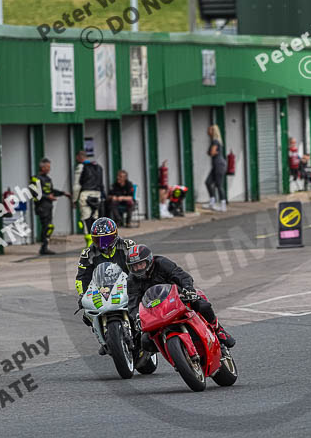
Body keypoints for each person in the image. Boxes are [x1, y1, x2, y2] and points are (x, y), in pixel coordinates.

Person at [126, 244, 235, 352]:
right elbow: (132, 302)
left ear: (149, 261)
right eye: (134, 266)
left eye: (140, 264)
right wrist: (136, 317)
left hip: (177, 298)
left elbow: (181, 275)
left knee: (202, 305)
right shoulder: (132, 280)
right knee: (145, 341)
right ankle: (172, 352)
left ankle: (218, 329)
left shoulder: (161, 263)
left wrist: (188, 289)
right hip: (155, 309)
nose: (137, 268)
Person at [75, 217, 136, 355]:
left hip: (128, 283)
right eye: (98, 239)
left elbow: (137, 266)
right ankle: (105, 339)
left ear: (115, 235)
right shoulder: (88, 253)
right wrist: (82, 294)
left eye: (106, 239)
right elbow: (82, 277)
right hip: (102, 287)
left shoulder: (127, 245)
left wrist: (138, 282)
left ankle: (145, 329)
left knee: (141, 303)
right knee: (87, 314)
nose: (103, 243)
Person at [30, 158, 70, 255]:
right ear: (42, 167)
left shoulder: (48, 179)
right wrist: (47, 197)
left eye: (49, 167)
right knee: (48, 226)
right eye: (47, 167)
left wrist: (63, 193)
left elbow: (52, 191)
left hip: (48, 206)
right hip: (41, 206)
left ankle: (44, 246)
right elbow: (35, 193)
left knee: (49, 227)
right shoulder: (35, 178)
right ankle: (44, 247)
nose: (49, 169)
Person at [72, 150, 106, 247]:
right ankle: (97, 241)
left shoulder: (81, 167)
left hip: (85, 195)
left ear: (79, 157)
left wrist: (74, 199)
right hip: (97, 195)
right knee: (95, 218)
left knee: (86, 219)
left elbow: (77, 185)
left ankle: (89, 243)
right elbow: (101, 184)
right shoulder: (98, 167)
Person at [204, 124, 228, 212]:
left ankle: (223, 205)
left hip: (219, 165)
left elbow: (212, 153)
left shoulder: (215, 141)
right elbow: (210, 152)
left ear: (213, 131)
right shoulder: (214, 141)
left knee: (219, 185)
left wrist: (211, 152)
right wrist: (211, 152)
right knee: (208, 182)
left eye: (209, 130)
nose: (207, 131)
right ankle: (212, 202)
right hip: (216, 165)